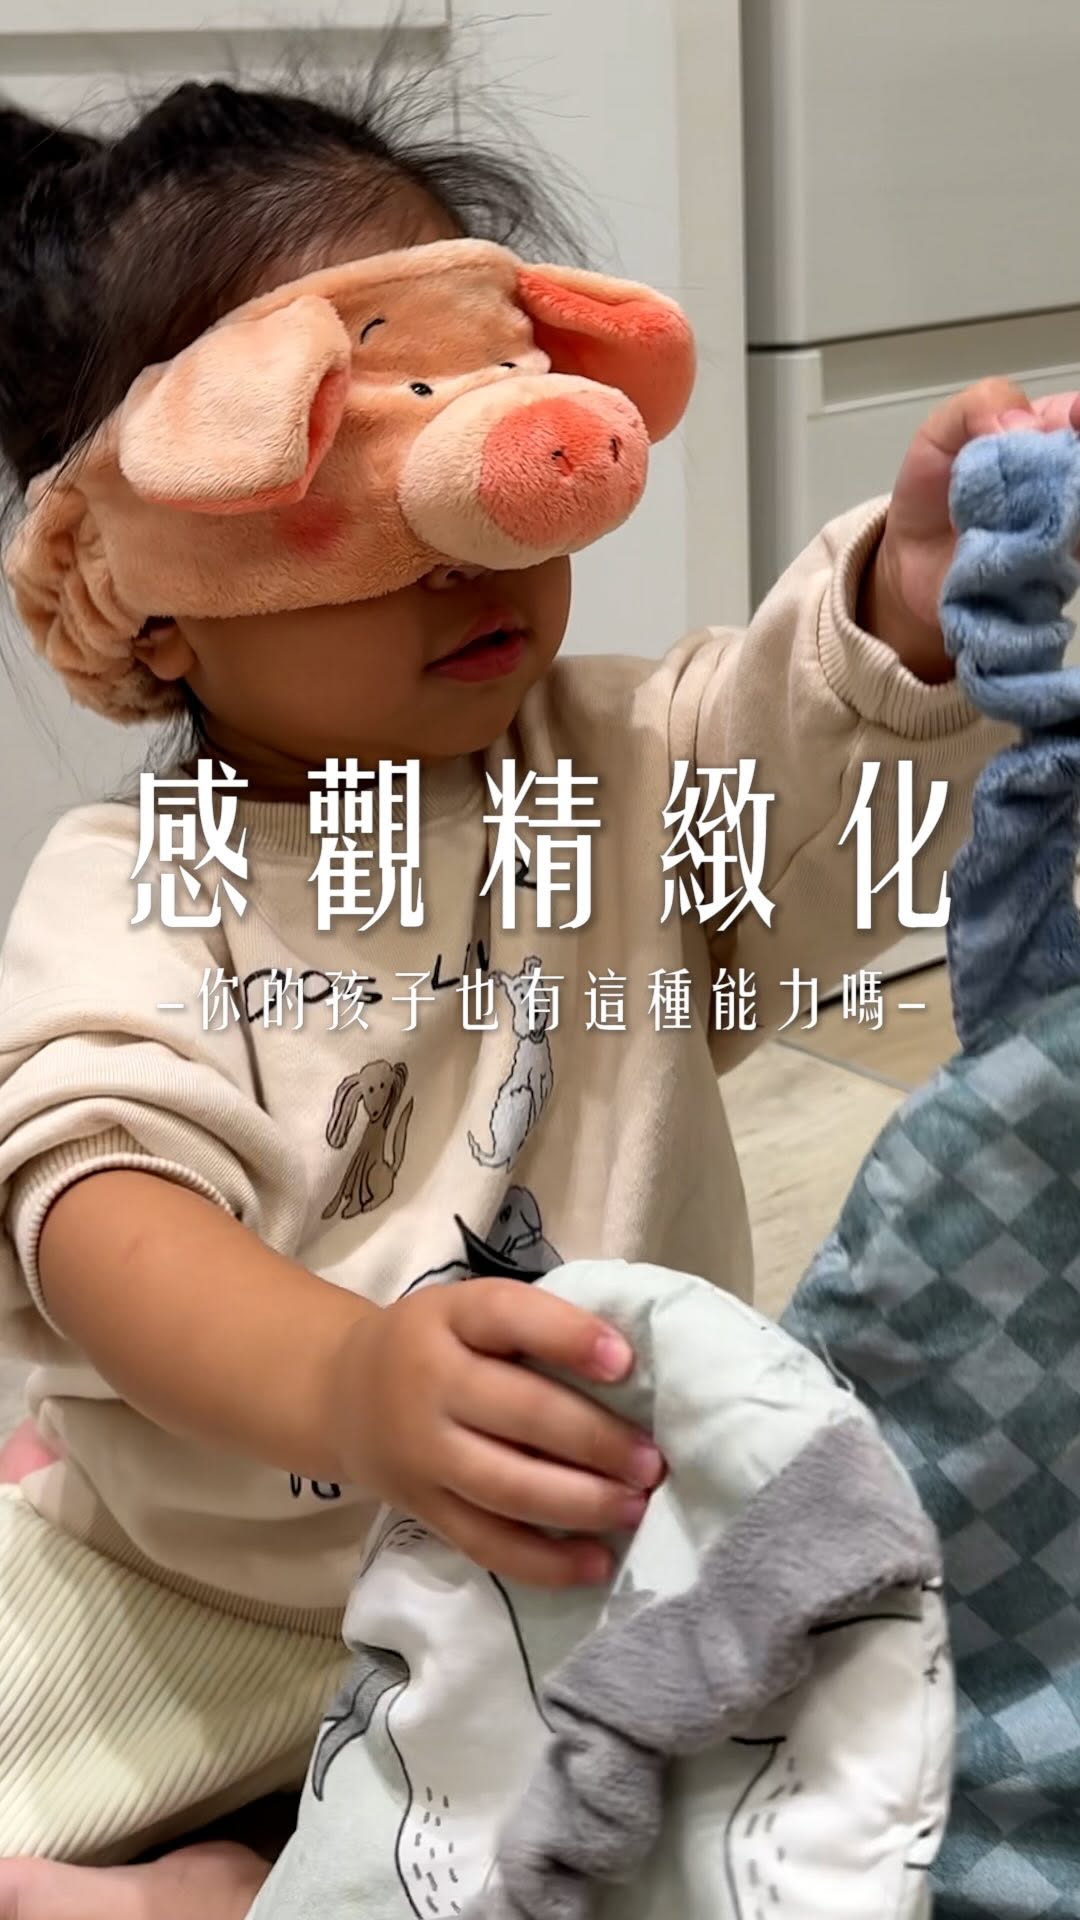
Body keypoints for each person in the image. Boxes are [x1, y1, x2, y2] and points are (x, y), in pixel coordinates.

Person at [0, 66, 1071, 1920]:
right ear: (152, 598)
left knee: (815, 1791)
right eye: (361, 481)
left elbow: (793, 774)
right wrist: (346, 1382)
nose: (474, 538)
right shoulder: (136, 884)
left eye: (489, 407)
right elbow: (96, 1209)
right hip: (210, 1597)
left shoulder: (614, 766)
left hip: (591, 1549)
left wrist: (904, 606)